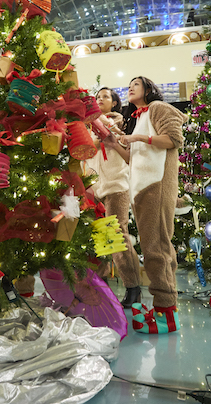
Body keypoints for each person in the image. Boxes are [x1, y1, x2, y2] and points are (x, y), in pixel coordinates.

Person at [104, 77, 187, 334]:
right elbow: (133, 158)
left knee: (156, 248)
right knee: (153, 246)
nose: (130, 87)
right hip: (142, 189)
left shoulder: (159, 108)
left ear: (149, 89)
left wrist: (138, 137)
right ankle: (163, 307)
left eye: (136, 84)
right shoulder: (140, 116)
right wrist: (114, 144)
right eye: (129, 85)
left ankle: (166, 312)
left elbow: (173, 139)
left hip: (156, 184)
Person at [85, 88, 141, 308]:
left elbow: (123, 145)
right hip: (94, 189)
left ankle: (133, 287)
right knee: (100, 239)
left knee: (117, 236)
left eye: (105, 97)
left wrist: (100, 122)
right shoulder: (87, 126)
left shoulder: (119, 122)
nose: (100, 100)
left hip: (116, 186)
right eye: (97, 97)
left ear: (115, 103)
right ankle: (100, 288)